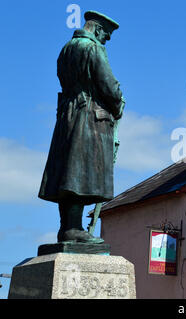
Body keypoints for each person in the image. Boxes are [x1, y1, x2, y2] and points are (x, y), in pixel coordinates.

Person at [39, 11, 125, 243]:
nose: (105, 40)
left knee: (67, 172)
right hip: (88, 117)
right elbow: (107, 85)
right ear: (97, 30)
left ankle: (67, 227)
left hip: (67, 115)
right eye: (105, 35)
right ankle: (74, 228)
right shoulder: (93, 49)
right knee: (80, 173)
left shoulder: (66, 49)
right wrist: (119, 103)